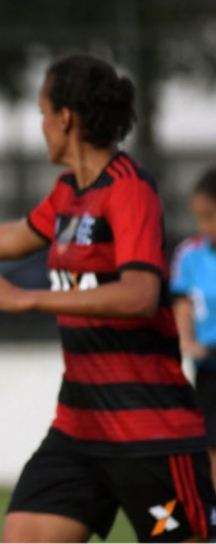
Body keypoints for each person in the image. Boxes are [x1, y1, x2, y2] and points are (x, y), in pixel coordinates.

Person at [0, 53, 216, 543]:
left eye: (43, 112)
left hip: (148, 431)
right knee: (24, 535)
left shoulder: (129, 190)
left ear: (65, 117)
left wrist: (27, 299)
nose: (42, 124)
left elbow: (140, 294)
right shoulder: (71, 190)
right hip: (80, 428)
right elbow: (21, 234)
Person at [171, 167, 216, 492]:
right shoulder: (191, 255)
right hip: (210, 367)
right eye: (200, 218)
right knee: (211, 444)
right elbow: (183, 301)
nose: (205, 227)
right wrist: (187, 340)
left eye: (211, 217)